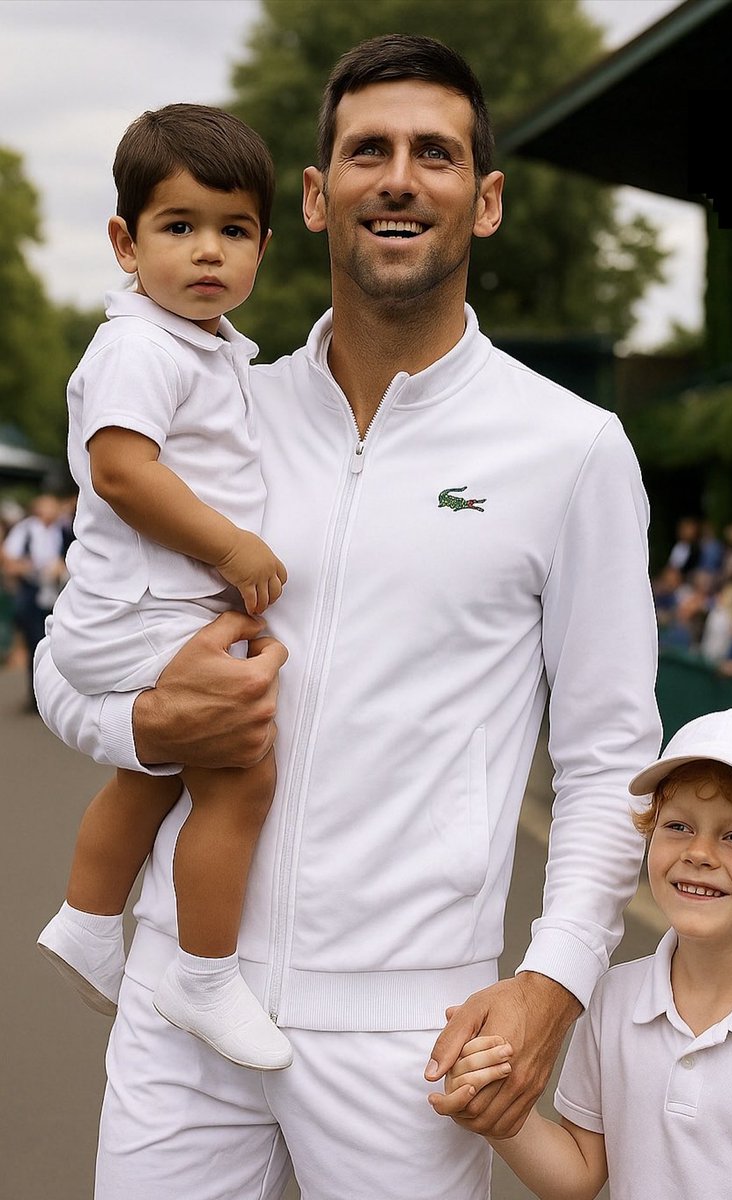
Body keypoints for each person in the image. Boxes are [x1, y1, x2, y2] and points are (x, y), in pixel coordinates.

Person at [32, 35, 661, 1200]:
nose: (399, 177)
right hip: (183, 1000)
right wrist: (154, 729)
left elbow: (611, 755)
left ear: (486, 200)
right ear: (317, 199)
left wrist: (554, 980)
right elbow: (70, 667)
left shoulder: (571, 449)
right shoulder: (217, 416)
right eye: (367, 150)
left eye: (435, 152)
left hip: (407, 1032)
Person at [35, 104, 293, 1072]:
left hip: (134, 608)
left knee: (148, 776)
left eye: (232, 231)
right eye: (177, 227)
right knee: (240, 769)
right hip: (144, 610)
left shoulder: (203, 347)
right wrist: (233, 552)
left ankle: (89, 923)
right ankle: (203, 974)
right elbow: (121, 473)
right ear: (124, 242)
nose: (207, 252)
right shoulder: (141, 347)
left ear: (264, 245)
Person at [432, 708, 732, 1198]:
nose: (698, 853)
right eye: (677, 826)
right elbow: (578, 1175)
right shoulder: (613, 997)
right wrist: (496, 1111)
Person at [1, 493, 69, 710]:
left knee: (62, 644)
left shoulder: (65, 530)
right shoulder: (26, 530)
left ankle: (61, 697)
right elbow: (9, 558)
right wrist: (29, 568)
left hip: (59, 592)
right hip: (33, 593)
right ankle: (37, 697)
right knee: (36, 643)